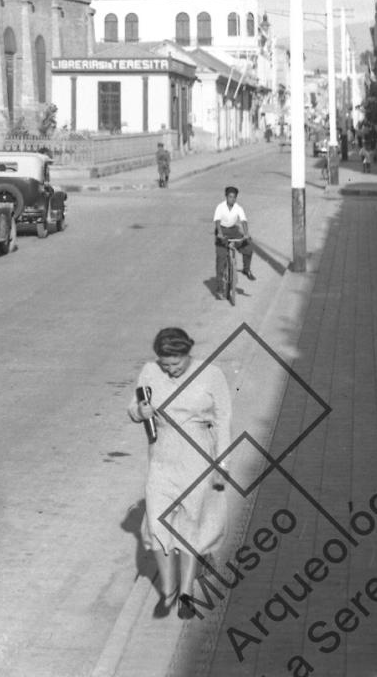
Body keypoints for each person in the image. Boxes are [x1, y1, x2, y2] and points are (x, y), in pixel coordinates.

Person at [128, 327, 231, 619]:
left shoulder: (212, 375)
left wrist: (222, 466)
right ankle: (168, 590)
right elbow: (134, 407)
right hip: (162, 458)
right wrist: (140, 412)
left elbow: (224, 422)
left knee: (190, 527)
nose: (171, 370)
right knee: (158, 526)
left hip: (197, 456)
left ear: (188, 353)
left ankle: (186, 593)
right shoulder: (150, 371)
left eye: (176, 364)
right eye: (165, 365)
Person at [212, 185, 255, 287]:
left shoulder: (238, 208)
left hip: (233, 230)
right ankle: (219, 286)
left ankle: (246, 269)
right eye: (230, 197)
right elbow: (217, 221)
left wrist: (246, 233)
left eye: (234, 197)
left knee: (248, 247)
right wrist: (220, 233)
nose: (232, 199)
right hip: (221, 230)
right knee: (221, 258)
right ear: (226, 197)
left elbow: (243, 220)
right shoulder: (220, 207)